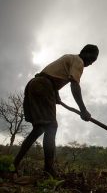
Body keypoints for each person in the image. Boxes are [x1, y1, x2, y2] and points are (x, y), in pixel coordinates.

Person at [14, 44, 99, 177]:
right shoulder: (79, 61)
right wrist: (83, 110)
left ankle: (14, 164)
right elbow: (75, 85)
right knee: (51, 126)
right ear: (85, 53)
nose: (91, 63)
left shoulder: (69, 58)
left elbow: (52, 76)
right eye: (92, 58)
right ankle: (48, 169)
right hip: (43, 85)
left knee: (39, 129)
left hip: (35, 84)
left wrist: (56, 96)